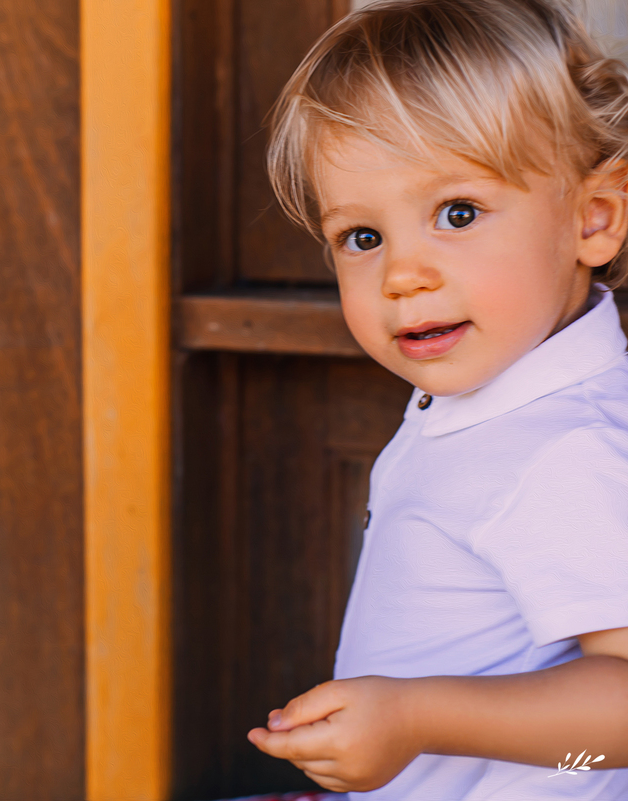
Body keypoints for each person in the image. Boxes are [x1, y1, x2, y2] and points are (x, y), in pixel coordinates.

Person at [245, 0, 628, 798]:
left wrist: (418, 719)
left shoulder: (561, 449)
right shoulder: (500, 396)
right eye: (362, 236)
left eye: (458, 214)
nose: (401, 275)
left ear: (594, 216)